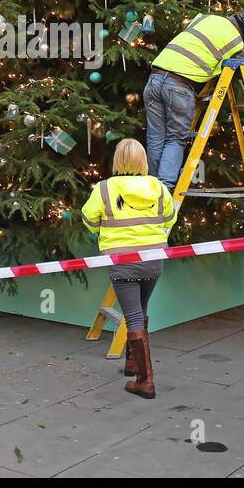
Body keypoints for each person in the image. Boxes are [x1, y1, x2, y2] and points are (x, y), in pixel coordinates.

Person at [80, 139, 178, 400]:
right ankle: (133, 365)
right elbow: (170, 217)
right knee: (140, 311)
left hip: (122, 262)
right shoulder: (157, 186)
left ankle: (145, 382)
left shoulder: (104, 188)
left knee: (133, 315)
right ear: (143, 160)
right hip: (154, 259)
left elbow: (89, 220)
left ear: (118, 161)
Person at [145, 10, 244, 188]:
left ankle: (151, 187)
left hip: (155, 78)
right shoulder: (236, 42)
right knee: (175, 139)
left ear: (233, 17)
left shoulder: (204, 18)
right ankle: (164, 190)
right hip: (180, 86)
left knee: (155, 136)